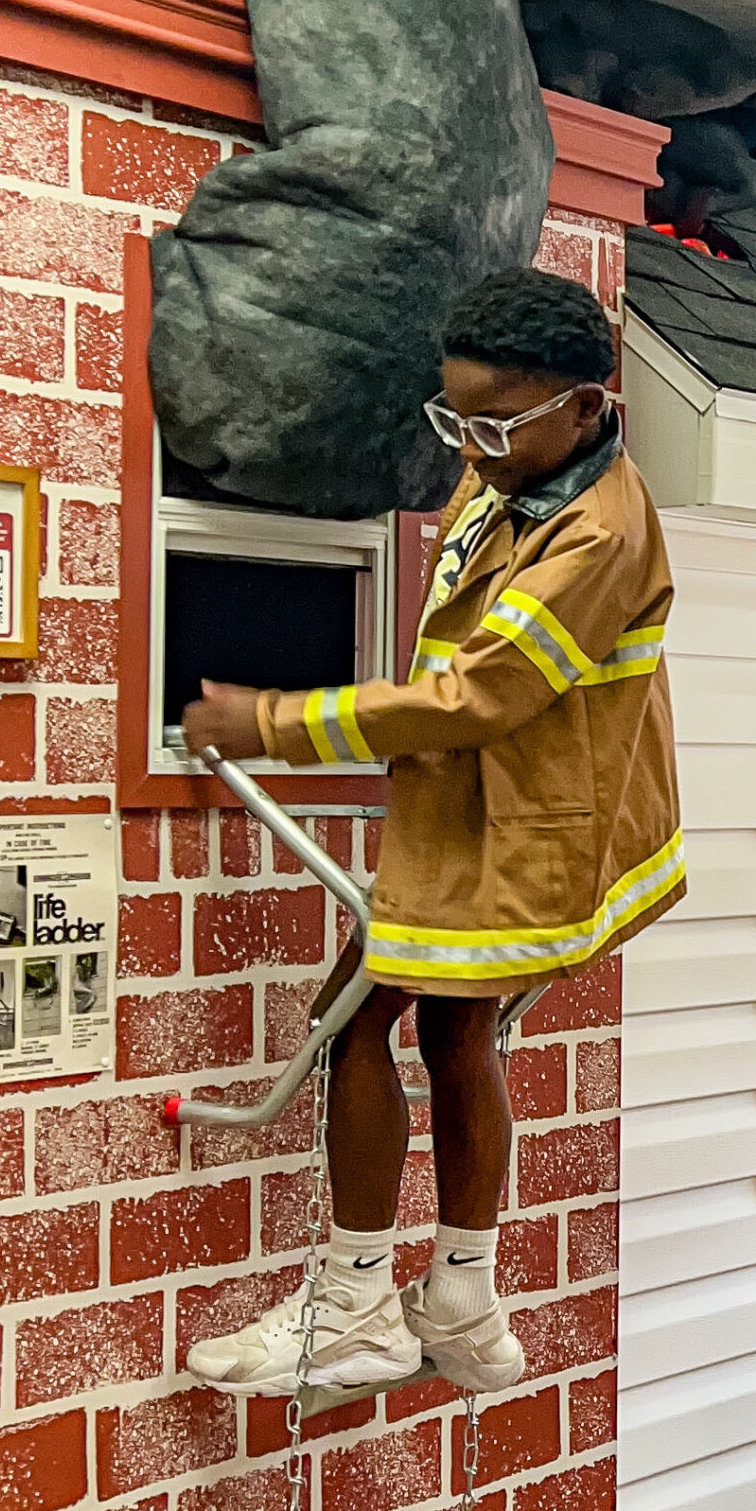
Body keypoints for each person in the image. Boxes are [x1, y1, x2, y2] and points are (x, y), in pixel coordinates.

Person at [182, 268, 682, 1396]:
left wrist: (271, 719)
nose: (472, 446)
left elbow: (481, 696)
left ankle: (356, 1304)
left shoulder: (596, 533)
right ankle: (462, 1298)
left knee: (355, 1019)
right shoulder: (516, 470)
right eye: (453, 418)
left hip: (521, 831)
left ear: (587, 409)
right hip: (479, 811)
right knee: (453, 1036)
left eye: (495, 422)